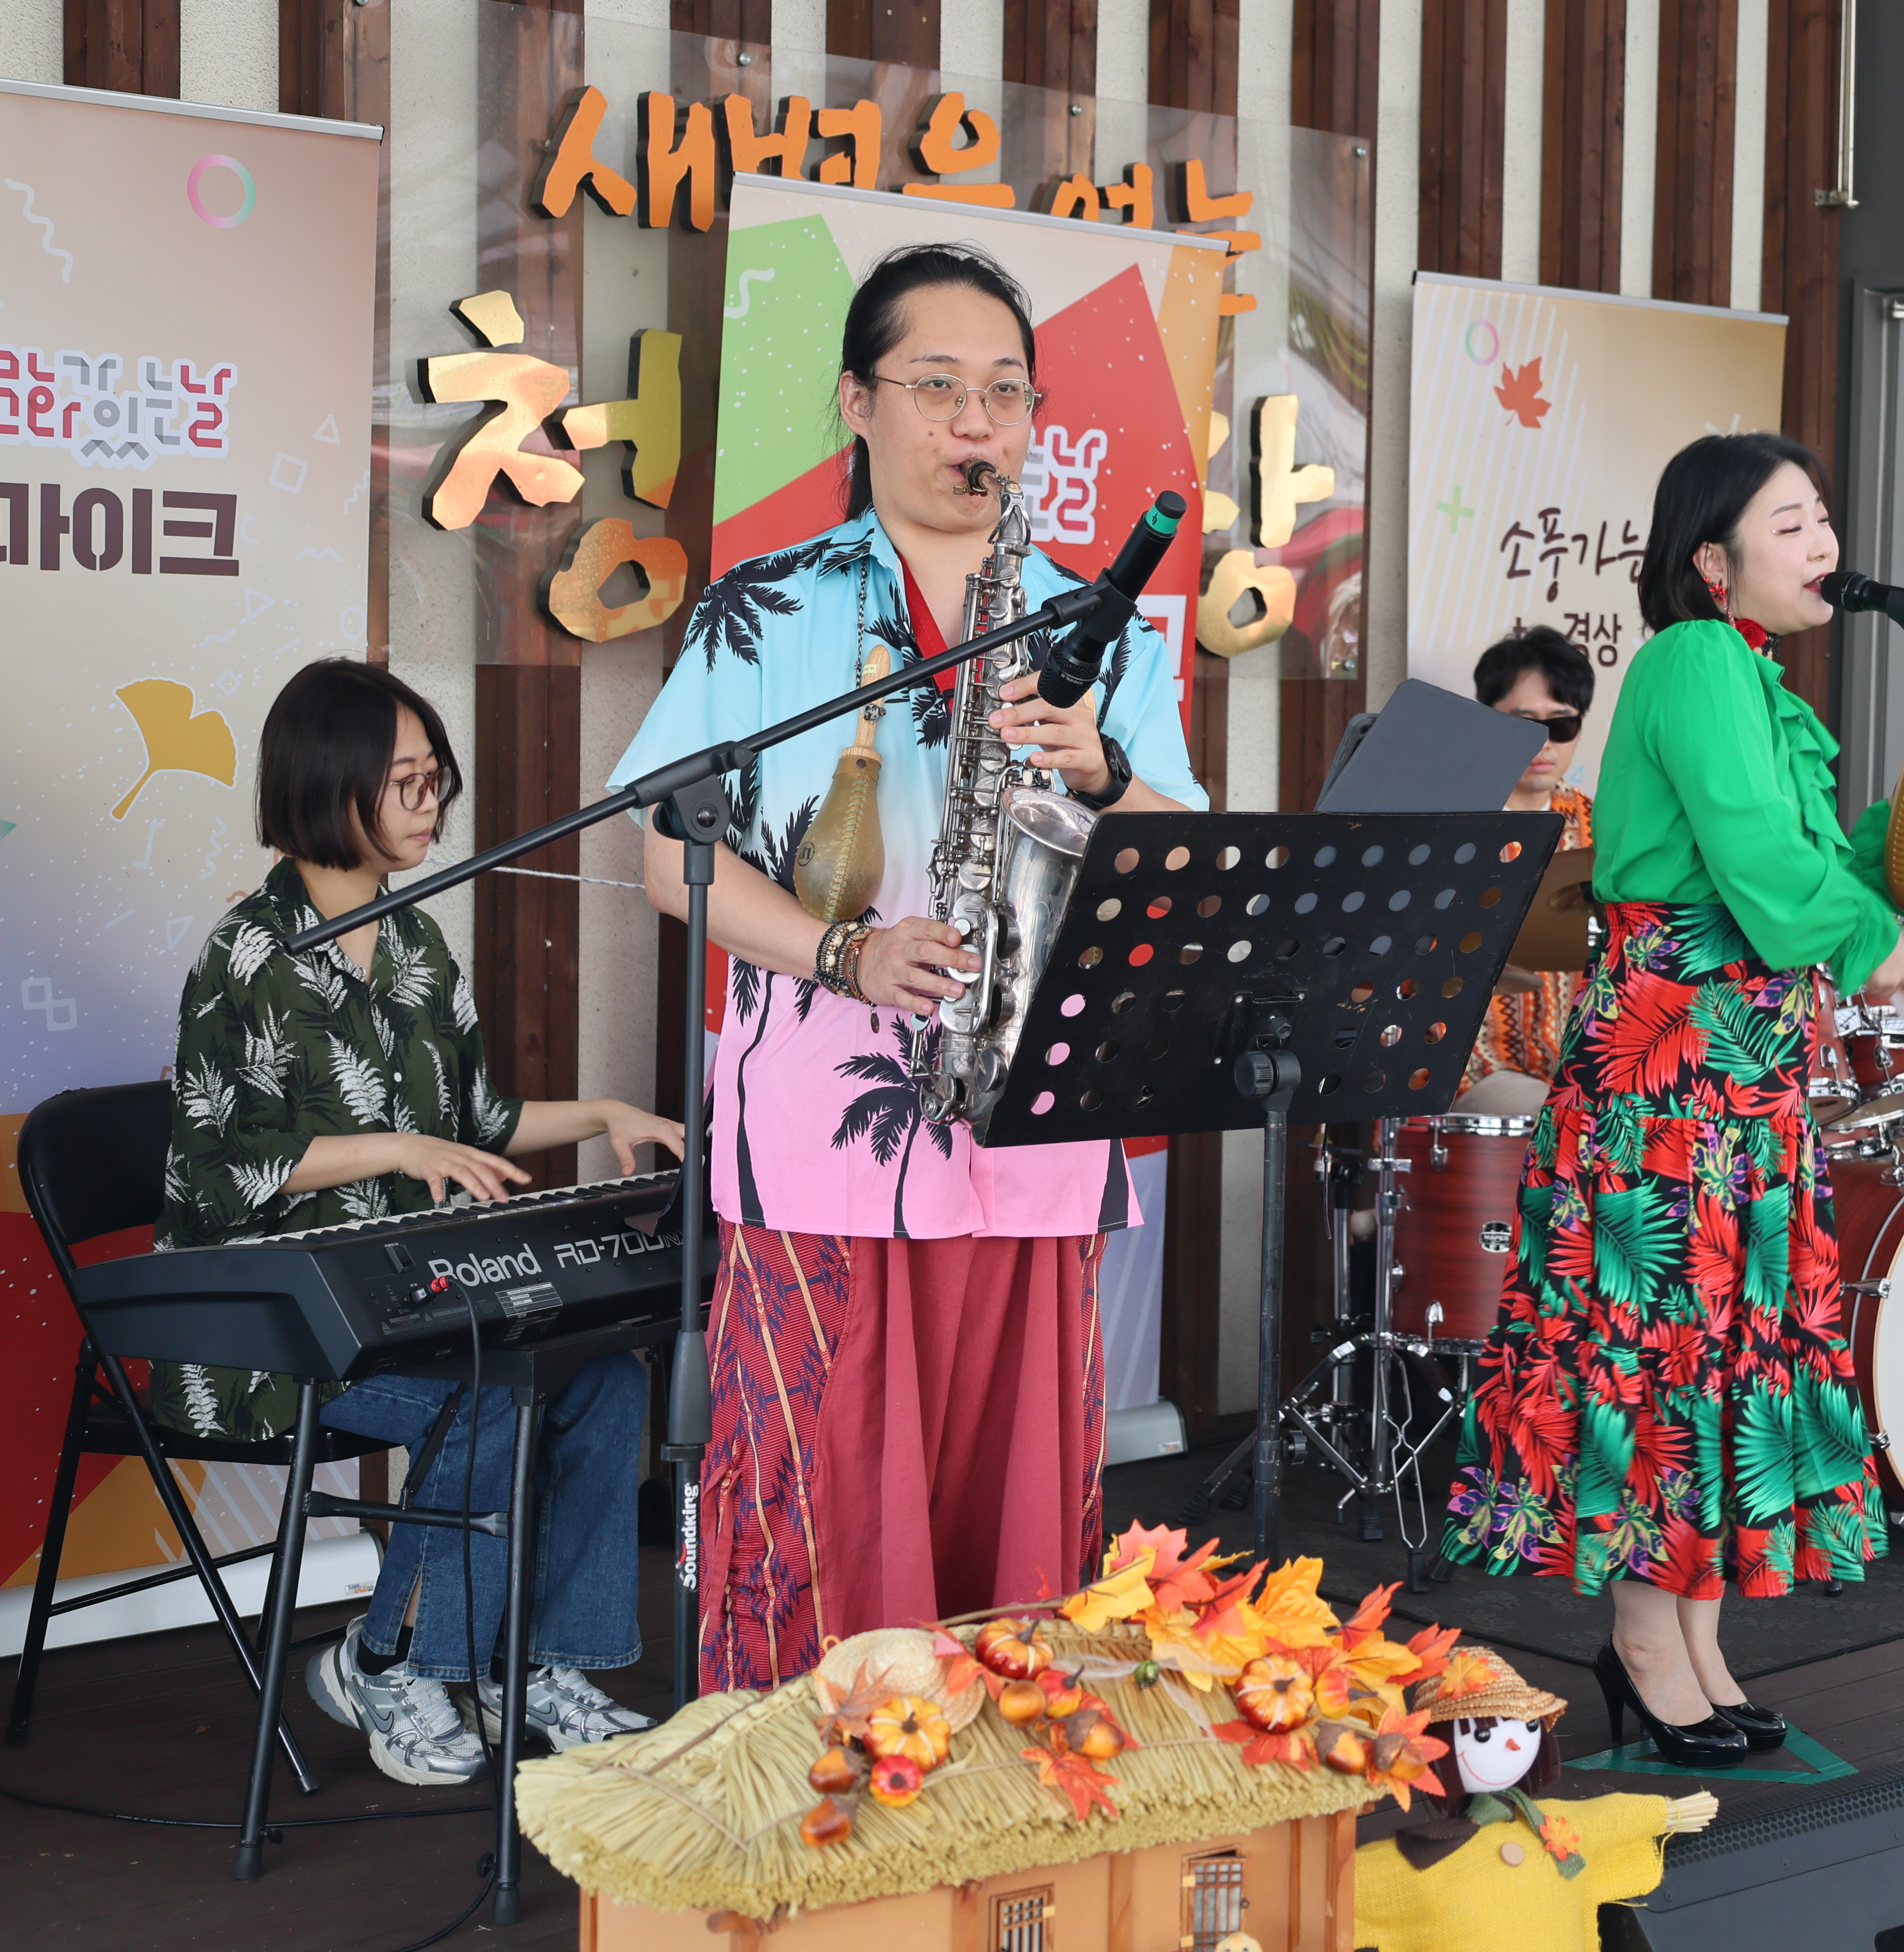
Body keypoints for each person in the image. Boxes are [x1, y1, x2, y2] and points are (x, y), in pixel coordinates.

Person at [613, 242, 1207, 1694]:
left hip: (1029, 1120)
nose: (974, 423)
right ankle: (813, 1781)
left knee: (1013, 1516)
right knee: (825, 1493)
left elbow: (1179, 858)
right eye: (936, 387)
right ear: (857, 403)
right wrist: (849, 951)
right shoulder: (765, 606)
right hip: (828, 1124)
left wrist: (1103, 771)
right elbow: (670, 863)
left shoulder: (1100, 622)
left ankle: (1000, 1784)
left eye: (1004, 392)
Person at [1438, 432, 1904, 1768]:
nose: (1822, 542)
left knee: (1722, 1344)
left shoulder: (1749, 674)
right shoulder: (1698, 659)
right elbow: (1758, 862)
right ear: (1712, 559)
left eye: (1822, 516)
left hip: (1737, 1074)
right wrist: (1869, 934)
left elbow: (1806, 856)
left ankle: (1698, 1643)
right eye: (1789, 522)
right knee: (1666, 1345)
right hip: (1675, 1070)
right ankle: (1648, 1642)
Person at [155, 657, 682, 1785]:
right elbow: (212, 1171)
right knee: (490, 1391)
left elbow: (479, 1121)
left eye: (436, 776)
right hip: (261, 1327)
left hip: (401, 1309)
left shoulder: (418, 947)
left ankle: (534, 1663)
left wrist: (607, 1113)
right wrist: (396, 1148)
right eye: (405, 778)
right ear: (328, 780)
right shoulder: (249, 954)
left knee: (604, 1378)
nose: (431, 799)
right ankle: (390, 1658)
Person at [1455, 627, 1597, 1117]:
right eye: (1524, 724)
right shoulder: (1448, 827)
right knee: (1575, 1124)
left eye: (1561, 725)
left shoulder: (1603, 829)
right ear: (1486, 722)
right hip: (1469, 1068)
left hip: (1579, 1069)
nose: (1544, 742)